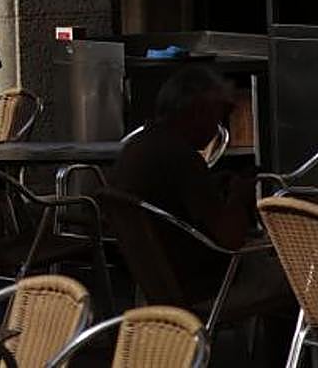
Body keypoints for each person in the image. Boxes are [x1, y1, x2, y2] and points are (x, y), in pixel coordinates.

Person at [112, 64, 295, 359]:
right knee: (303, 276)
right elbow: (231, 239)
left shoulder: (138, 146)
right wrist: (238, 197)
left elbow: (181, 205)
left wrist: (213, 187)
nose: (220, 126)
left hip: (159, 280)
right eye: (218, 115)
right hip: (207, 286)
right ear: (195, 111)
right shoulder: (182, 159)